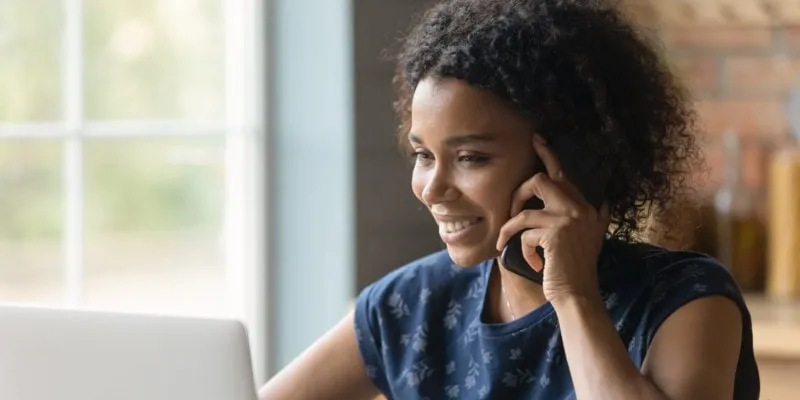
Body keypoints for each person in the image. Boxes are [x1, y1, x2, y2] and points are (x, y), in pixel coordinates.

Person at [258, 0, 760, 399]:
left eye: (471, 157)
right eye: (424, 155)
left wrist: (573, 297)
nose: (432, 188)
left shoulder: (686, 300)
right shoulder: (410, 305)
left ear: (569, 160)